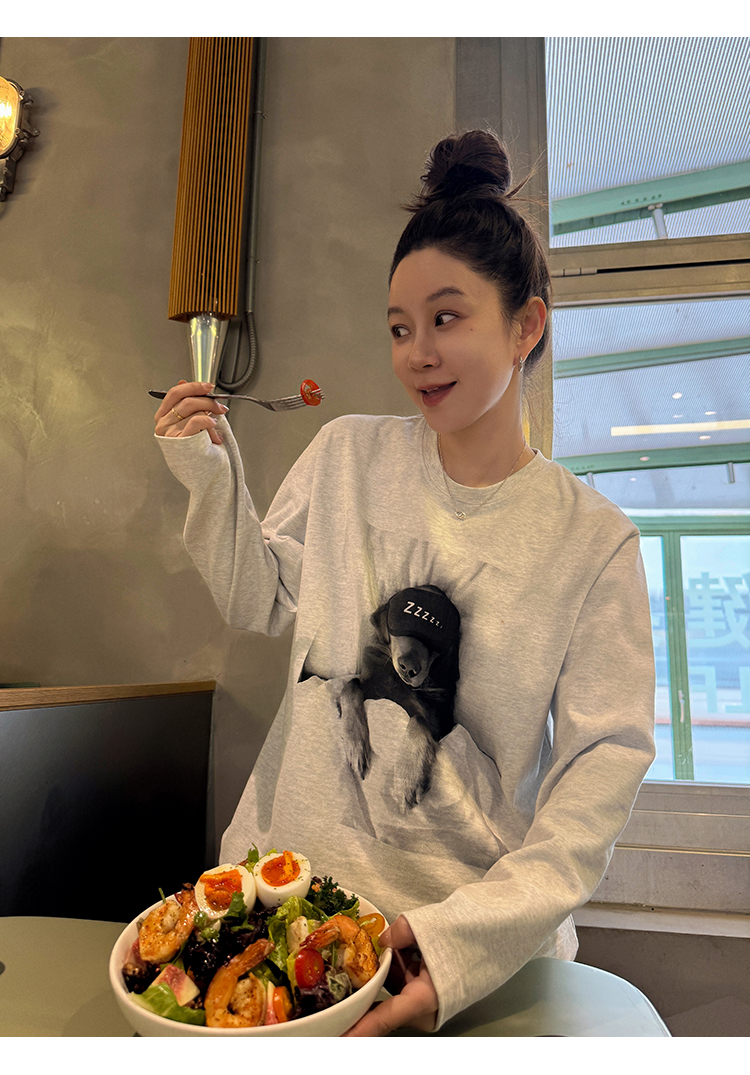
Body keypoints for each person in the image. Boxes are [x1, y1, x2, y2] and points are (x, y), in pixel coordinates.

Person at [153, 130, 656, 1035]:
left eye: (446, 318)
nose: (417, 351)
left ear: (527, 325)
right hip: (288, 912)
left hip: (458, 950)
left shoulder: (594, 540)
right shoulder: (348, 454)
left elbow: (596, 779)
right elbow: (256, 597)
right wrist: (210, 472)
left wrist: (457, 945)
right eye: (398, 327)